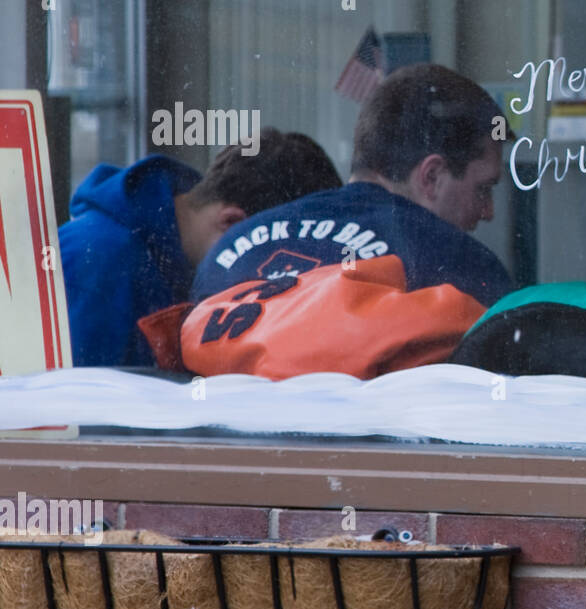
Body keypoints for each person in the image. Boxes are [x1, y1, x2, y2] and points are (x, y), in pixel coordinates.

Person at [185, 64, 513, 377]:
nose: (488, 211)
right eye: (483, 189)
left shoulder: (227, 251)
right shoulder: (460, 269)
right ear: (432, 176)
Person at [58, 132, 342, 367]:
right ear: (232, 223)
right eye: (268, 268)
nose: (261, 288)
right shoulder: (98, 265)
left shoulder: (170, 256)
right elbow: (74, 420)